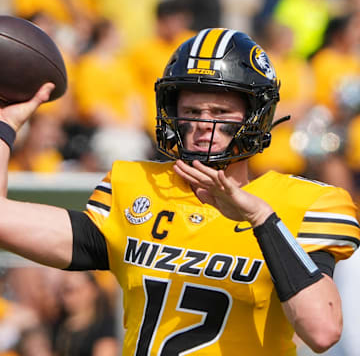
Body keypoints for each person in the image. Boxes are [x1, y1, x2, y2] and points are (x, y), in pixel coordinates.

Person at [0, 28, 358, 356]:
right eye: (191, 111)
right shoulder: (138, 187)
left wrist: (261, 219)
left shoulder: (305, 204)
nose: (203, 124)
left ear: (255, 118)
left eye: (220, 111)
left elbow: (323, 331)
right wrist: (5, 124)